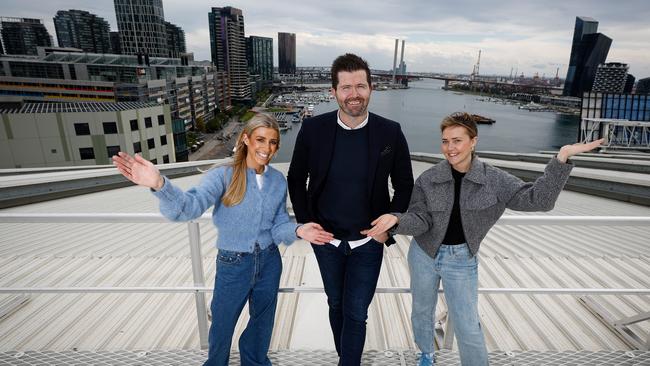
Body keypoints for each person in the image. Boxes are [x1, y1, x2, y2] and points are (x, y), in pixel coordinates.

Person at [364, 112, 604, 366]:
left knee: (467, 323)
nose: (450, 148)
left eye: (457, 140)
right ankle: (426, 354)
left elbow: (539, 200)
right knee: (421, 311)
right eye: (445, 141)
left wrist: (561, 158)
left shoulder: (494, 179)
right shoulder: (429, 178)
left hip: (461, 259)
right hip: (423, 254)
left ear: (473, 141)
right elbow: (422, 220)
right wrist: (397, 221)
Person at [112, 114, 333, 366]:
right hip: (233, 263)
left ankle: (256, 362)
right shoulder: (223, 176)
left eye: (273, 143)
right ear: (246, 139)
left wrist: (298, 230)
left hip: (270, 262)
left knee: (262, 324)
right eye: (260, 139)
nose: (266, 148)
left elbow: (278, 225)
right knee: (222, 325)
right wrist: (159, 184)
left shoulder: (277, 181)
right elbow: (190, 207)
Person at [287, 53, 414, 365]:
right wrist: (306, 223)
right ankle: (347, 357)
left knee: (356, 312)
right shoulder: (313, 129)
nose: (353, 94)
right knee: (335, 304)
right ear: (334, 92)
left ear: (371, 88)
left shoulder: (390, 132)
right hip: (326, 241)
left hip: (369, 241)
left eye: (360, 86)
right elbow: (295, 178)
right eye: (346, 87)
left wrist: (392, 223)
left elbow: (406, 185)